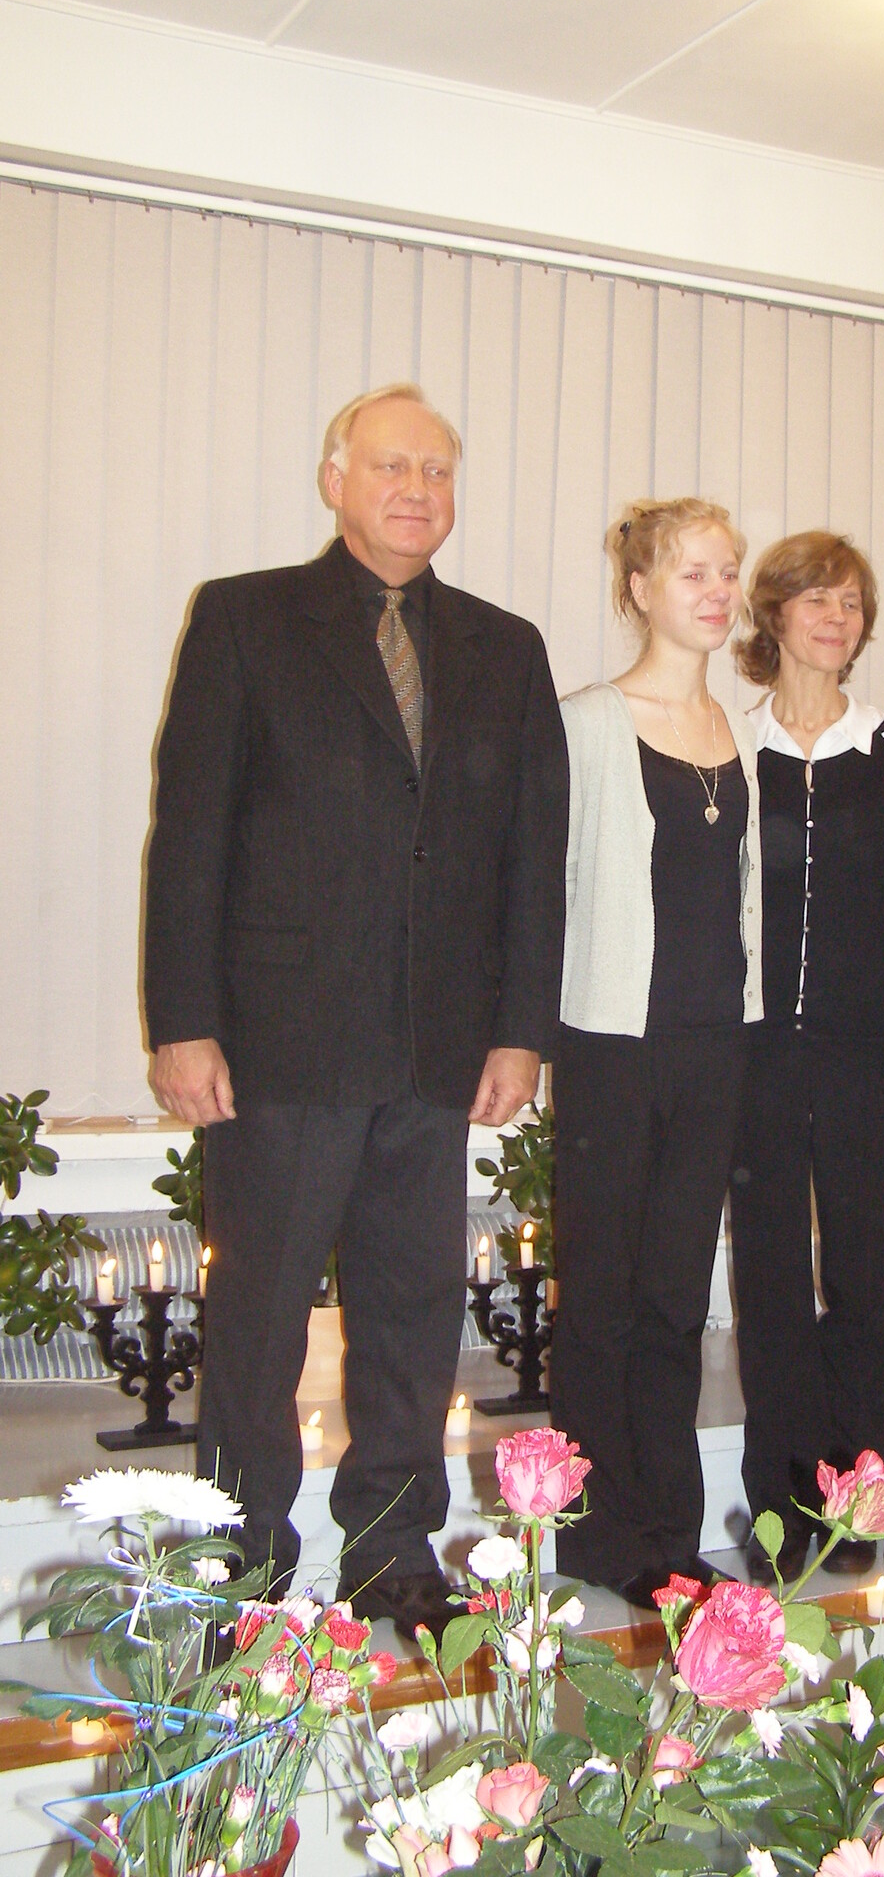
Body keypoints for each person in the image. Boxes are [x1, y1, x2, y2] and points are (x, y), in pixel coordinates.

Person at [144, 383, 568, 1637]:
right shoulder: (245, 618)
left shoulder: (505, 646)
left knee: (412, 1316)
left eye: (437, 470)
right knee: (259, 1321)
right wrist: (182, 1019)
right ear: (335, 479)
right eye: (391, 466)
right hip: (279, 1043)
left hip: (438, 1048)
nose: (416, 491)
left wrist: (521, 1028)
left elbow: (532, 859)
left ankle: (393, 1553)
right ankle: (242, 1564)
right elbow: (190, 834)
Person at [548, 497, 762, 1609]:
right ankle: (597, 1537)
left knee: (678, 1298)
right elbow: (539, 888)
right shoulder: (586, 722)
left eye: (728, 572)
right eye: (692, 573)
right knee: (603, 1298)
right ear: (639, 589)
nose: (718, 592)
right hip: (610, 1044)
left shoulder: (741, 731)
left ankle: (671, 1533)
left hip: (716, 1046)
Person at [727, 532, 884, 1584]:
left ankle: (864, 1501)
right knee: (770, 1286)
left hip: (871, 1060)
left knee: (866, 1283)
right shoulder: (728, 740)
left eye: (852, 602)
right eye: (815, 598)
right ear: (773, 614)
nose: (835, 617)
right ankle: (782, 1512)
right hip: (756, 1058)